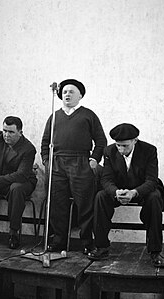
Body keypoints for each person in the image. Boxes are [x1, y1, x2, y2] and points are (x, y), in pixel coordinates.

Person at [41, 79, 107, 253]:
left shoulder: (88, 115)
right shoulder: (54, 116)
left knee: (85, 204)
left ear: (80, 95)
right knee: (57, 204)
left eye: (71, 91)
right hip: (57, 164)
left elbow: (101, 140)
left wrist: (94, 158)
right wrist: (47, 161)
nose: (67, 94)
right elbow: (45, 142)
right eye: (64, 92)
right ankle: (59, 241)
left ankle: (87, 243)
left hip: (80, 163)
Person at [88, 123, 164, 268]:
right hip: (120, 190)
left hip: (143, 189)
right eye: (118, 145)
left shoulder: (149, 150)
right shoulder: (109, 151)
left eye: (125, 146)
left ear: (135, 140)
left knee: (155, 198)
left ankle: (155, 251)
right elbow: (106, 179)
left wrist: (134, 192)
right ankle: (102, 247)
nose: (121, 149)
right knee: (100, 197)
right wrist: (115, 192)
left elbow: (151, 180)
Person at [0, 116, 37, 249]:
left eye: (11, 132)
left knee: (16, 189)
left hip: (22, 181)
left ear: (20, 132)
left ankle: (13, 233)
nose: (6, 135)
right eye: (4, 130)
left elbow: (21, 174)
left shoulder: (28, 148)